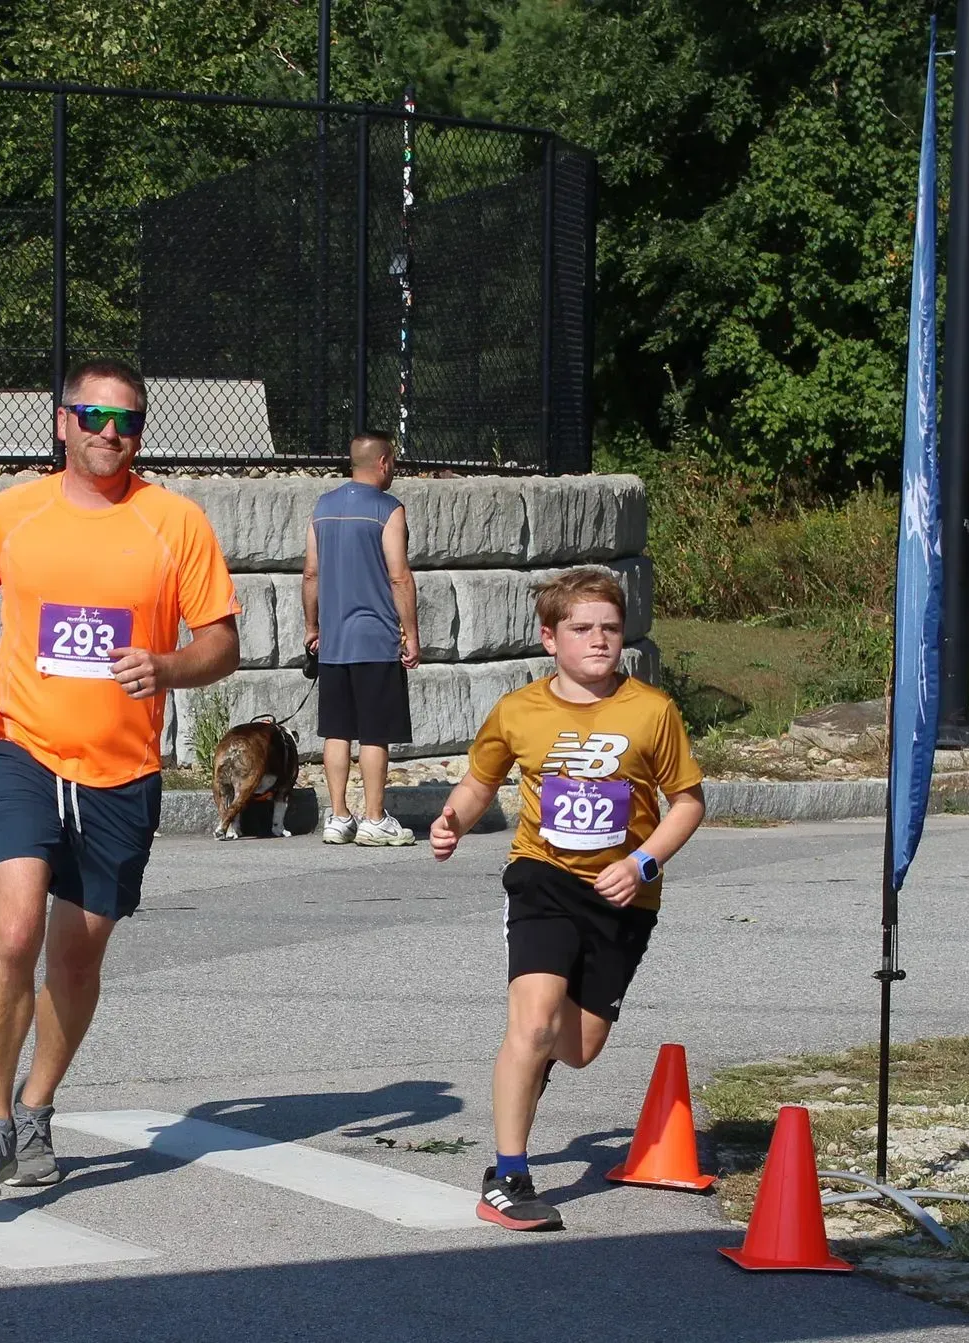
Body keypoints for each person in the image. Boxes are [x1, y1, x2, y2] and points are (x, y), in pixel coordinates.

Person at [0, 358, 240, 1196]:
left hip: (121, 771)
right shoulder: (13, 513)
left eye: (128, 421)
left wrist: (167, 666)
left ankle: (36, 1106)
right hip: (18, 747)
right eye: (95, 416)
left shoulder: (173, 522)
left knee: (76, 957)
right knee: (13, 929)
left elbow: (221, 640)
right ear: (63, 421)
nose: (111, 433)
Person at [429, 568, 706, 1231]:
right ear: (550, 637)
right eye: (582, 628)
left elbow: (688, 803)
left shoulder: (651, 710)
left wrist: (642, 862)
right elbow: (480, 779)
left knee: (577, 1047)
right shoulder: (520, 710)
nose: (599, 640)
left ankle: (533, 1073)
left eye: (610, 627)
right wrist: (453, 820)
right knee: (531, 1019)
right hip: (542, 878)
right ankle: (509, 1173)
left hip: (622, 895)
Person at [302, 430, 421, 846]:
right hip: (375, 637)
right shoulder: (388, 509)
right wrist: (411, 634)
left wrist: (312, 627)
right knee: (373, 731)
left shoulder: (323, 507)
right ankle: (373, 817)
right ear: (384, 461)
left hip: (333, 640)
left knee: (337, 730)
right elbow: (399, 575)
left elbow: (312, 573)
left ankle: (337, 817)